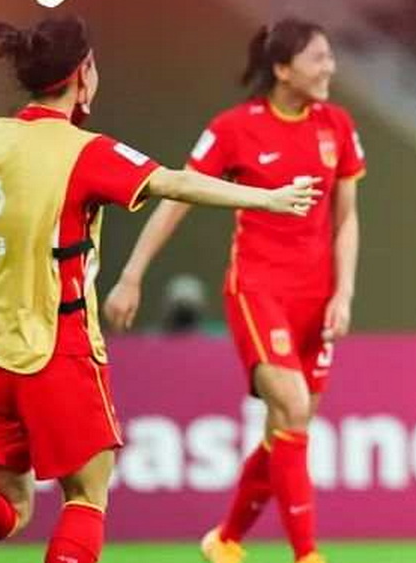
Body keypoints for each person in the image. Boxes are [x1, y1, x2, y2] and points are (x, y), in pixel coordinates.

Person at [0, 16, 319, 563]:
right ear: (84, 73)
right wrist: (269, 199)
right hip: (56, 349)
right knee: (87, 496)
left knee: (11, 506)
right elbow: (173, 181)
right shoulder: (84, 151)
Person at [104, 18, 363, 563]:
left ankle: (224, 540)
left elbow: (346, 219)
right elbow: (177, 196)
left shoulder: (337, 125)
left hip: (317, 299)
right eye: (319, 58)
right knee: (292, 408)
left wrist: (343, 293)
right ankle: (307, 554)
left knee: (287, 426)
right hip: (257, 289)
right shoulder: (233, 128)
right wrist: (131, 274)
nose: (330, 68)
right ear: (283, 69)